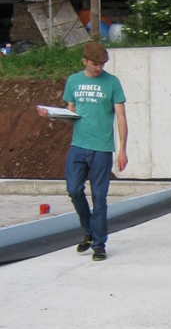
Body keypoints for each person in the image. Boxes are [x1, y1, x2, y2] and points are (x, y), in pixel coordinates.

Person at [37, 40, 128, 261]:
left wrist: (122, 149)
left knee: (99, 196)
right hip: (78, 146)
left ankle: (99, 244)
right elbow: (72, 115)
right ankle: (88, 229)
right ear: (84, 61)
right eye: (95, 64)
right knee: (74, 190)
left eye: (102, 65)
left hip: (102, 148)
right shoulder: (74, 81)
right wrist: (53, 115)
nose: (99, 68)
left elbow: (121, 117)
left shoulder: (112, 83)